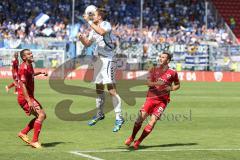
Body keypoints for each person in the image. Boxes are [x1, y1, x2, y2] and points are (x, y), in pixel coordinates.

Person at [78, 7, 124, 132]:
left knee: (111, 90)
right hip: (98, 60)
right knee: (99, 88)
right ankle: (100, 113)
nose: (92, 16)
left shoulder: (105, 24)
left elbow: (102, 32)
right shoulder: (93, 29)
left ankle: (119, 117)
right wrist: (81, 38)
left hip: (108, 59)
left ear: (99, 17)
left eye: (94, 14)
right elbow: (88, 43)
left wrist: (89, 21)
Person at [124, 52, 181, 149]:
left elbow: (177, 85)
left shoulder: (173, 73)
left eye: (163, 57)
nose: (160, 59)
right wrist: (156, 83)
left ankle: (138, 142)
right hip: (151, 98)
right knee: (140, 119)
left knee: (153, 122)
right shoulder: (154, 70)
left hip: (162, 102)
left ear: (168, 60)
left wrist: (170, 89)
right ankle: (132, 137)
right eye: (160, 57)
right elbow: (148, 82)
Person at [17, 49, 48, 148]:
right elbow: (23, 85)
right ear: (24, 57)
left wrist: (39, 72)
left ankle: (23, 133)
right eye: (28, 54)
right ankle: (34, 141)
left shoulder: (29, 65)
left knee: (42, 115)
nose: (31, 54)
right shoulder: (23, 68)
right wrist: (29, 101)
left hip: (29, 97)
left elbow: (30, 75)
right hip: (25, 98)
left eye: (31, 53)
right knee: (41, 115)